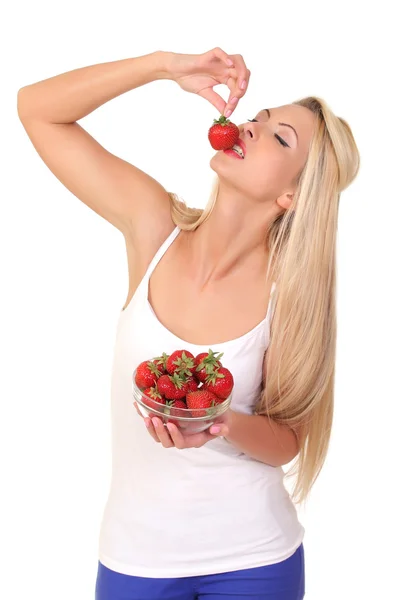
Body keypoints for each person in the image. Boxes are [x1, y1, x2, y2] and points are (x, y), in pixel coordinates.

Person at [17, 48, 360, 600]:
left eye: (279, 138)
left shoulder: (288, 296)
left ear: (291, 196)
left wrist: (219, 422)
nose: (251, 125)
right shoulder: (153, 228)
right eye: (260, 117)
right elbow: (36, 109)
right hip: (135, 556)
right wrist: (161, 67)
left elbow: (288, 440)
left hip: (255, 561)